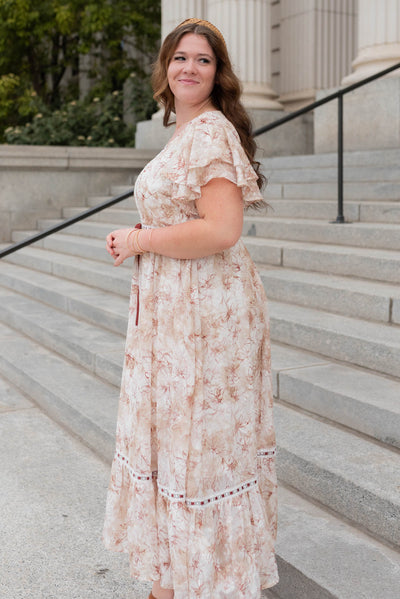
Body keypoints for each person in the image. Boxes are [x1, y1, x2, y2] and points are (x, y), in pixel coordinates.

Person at [102, 17, 278, 599]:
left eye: (203, 60)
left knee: (198, 445)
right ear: (165, 68)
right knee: (180, 441)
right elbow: (183, 215)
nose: (189, 68)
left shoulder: (210, 134)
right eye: (180, 57)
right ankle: (178, 577)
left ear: (217, 72)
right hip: (178, 308)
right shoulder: (185, 133)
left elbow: (223, 229)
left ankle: (199, 581)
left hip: (207, 315)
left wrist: (141, 241)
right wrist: (140, 234)